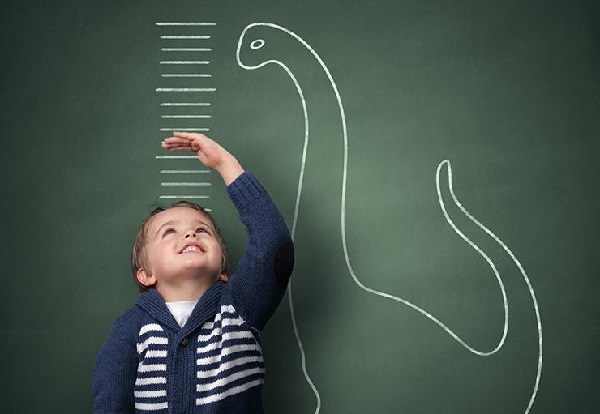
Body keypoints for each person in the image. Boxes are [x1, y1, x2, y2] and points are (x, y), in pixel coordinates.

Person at [92, 132, 294, 413]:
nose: (189, 234)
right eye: (169, 232)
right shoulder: (131, 329)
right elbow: (111, 404)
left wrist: (224, 163)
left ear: (223, 270)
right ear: (146, 274)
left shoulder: (239, 307)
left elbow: (275, 245)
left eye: (202, 230)